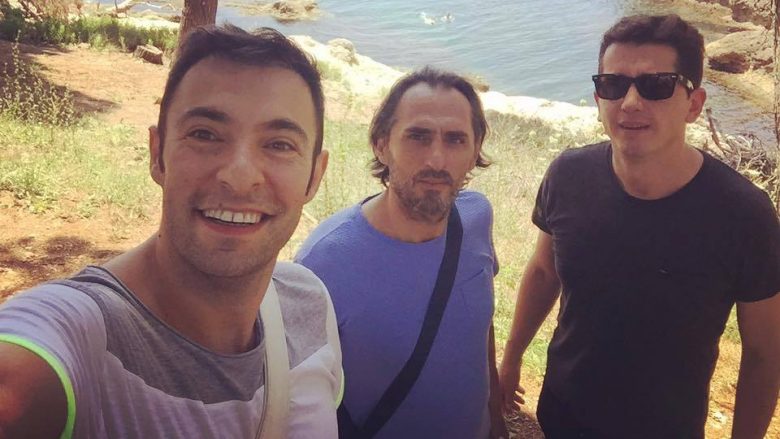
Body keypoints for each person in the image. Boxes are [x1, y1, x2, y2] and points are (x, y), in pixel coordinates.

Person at [0, 25, 342, 438]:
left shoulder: (307, 303)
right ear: (157, 154)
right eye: (204, 134)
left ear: (315, 176)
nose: (239, 177)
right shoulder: (78, 335)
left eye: (279, 144)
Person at [499, 14, 780, 439]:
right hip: (562, 417)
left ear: (694, 104)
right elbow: (543, 271)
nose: (630, 102)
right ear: (598, 99)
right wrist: (512, 358)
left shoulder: (744, 214)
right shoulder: (568, 175)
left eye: (656, 85)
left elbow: (763, 353)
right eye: (613, 85)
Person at [296, 67, 508, 439]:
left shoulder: (477, 217)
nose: (437, 160)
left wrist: (494, 413)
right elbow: (297, 400)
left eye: (456, 139)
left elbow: (479, 325)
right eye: (418, 137)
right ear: (381, 144)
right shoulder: (323, 261)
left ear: (475, 151)